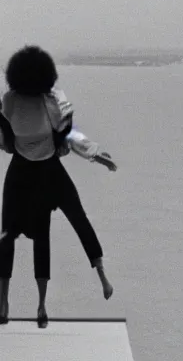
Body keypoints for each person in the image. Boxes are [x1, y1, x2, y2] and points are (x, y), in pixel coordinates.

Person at [0, 45, 116, 327]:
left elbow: (66, 135)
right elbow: (66, 135)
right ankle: (6, 303)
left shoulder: (29, 101)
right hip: (39, 169)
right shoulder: (30, 101)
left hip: (36, 169)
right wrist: (93, 151)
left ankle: (15, 302)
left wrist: (95, 151)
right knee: (13, 233)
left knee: (62, 222)